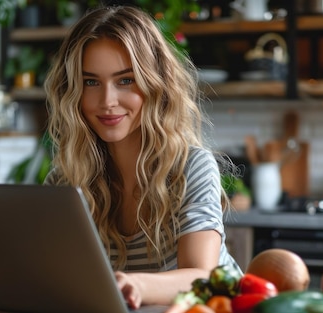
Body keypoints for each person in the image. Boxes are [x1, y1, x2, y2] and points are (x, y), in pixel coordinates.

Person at [43, 4, 241, 309]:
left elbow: (203, 277)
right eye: (91, 82)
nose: (107, 101)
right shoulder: (65, 181)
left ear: (154, 84)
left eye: (125, 80)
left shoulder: (191, 167)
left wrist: (136, 283)